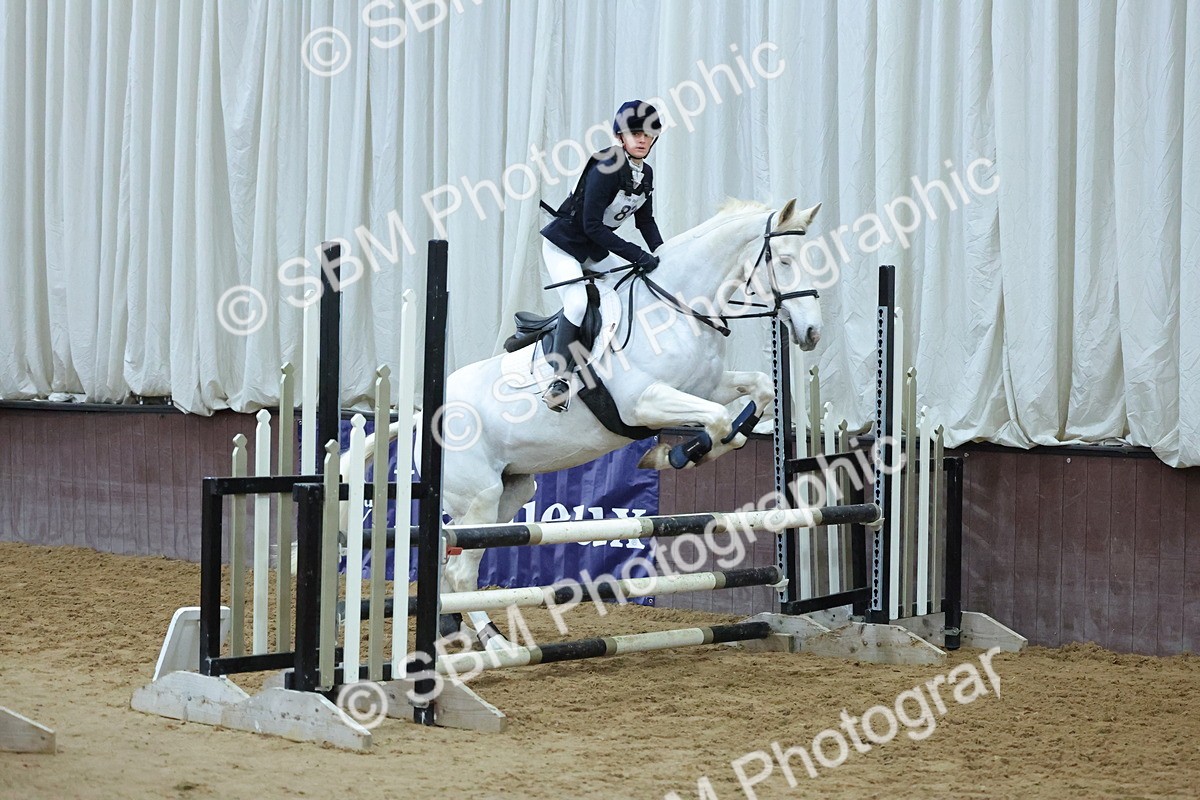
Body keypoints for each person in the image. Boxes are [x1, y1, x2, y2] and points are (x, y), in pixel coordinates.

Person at [537, 100, 665, 411]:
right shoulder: (608, 164)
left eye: (648, 134)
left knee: (630, 287)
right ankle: (560, 380)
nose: (642, 139)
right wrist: (636, 253)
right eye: (635, 133)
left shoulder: (644, 173)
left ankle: (616, 364)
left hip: (594, 248)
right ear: (621, 136)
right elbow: (591, 225)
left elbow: (645, 220)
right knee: (578, 301)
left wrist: (662, 253)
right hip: (565, 244)